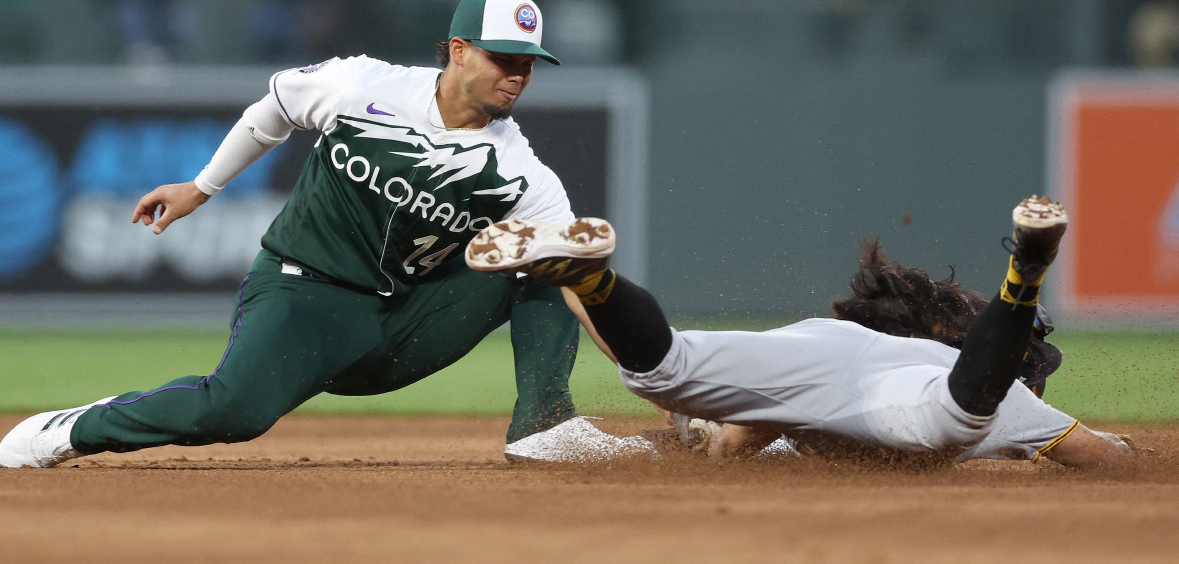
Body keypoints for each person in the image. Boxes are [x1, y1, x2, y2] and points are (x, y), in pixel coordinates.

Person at [0, 0, 640, 468]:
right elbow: (275, 107)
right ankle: (75, 428)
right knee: (233, 411)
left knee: (550, 258)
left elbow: (586, 288)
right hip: (305, 296)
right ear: (458, 50)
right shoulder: (364, 87)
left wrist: (665, 380)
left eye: (529, 62)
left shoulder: (522, 172)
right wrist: (201, 186)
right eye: (505, 58)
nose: (519, 74)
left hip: (403, 323)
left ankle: (544, 426)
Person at [464, 197, 1134, 468]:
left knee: (666, 366)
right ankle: (1026, 272)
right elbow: (1109, 460)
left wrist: (707, 422)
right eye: (1032, 359)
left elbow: (745, 426)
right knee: (962, 413)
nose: (1039, 371)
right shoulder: (1005, 400)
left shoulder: (839, 339)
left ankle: (591, 279)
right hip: (914, 391)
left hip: (820, 352)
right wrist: (1122, 448)